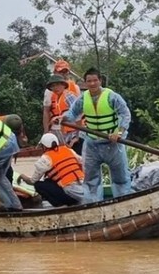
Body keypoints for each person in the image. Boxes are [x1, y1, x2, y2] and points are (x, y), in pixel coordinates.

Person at [54, 68, 132, 202]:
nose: (92, 84)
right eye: (89, 81)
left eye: (95, 80)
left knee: (120, 178)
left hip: (112, 143)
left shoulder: (112, 96)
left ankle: (124, 201)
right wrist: (63, 118)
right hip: (92, 144)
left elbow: (125, 114)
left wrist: (119, 132)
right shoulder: (83, 98)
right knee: (90, 180)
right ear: (85, 83)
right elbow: (72, 113)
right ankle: (93, 205)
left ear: (100, 81)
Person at [19, 133, 87, 207]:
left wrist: (22, 176)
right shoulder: (68, 150)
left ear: (44, 147)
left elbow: (33, 181)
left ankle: (61, 205)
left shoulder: (45, 159)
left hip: (70, 193)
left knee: (38, 185)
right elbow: (82, 162)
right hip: (83, 186)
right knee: (48, 181)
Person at [41, 60, 80, 144]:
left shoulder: (74, 88)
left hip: (72, 128)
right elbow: (46, 111)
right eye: (60, 71)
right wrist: (46, 131)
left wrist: (78, 134)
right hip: (56, 128)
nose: (63, 74)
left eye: (65, 71)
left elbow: (79, 113)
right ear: (55, 72)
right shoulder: (49, 91)